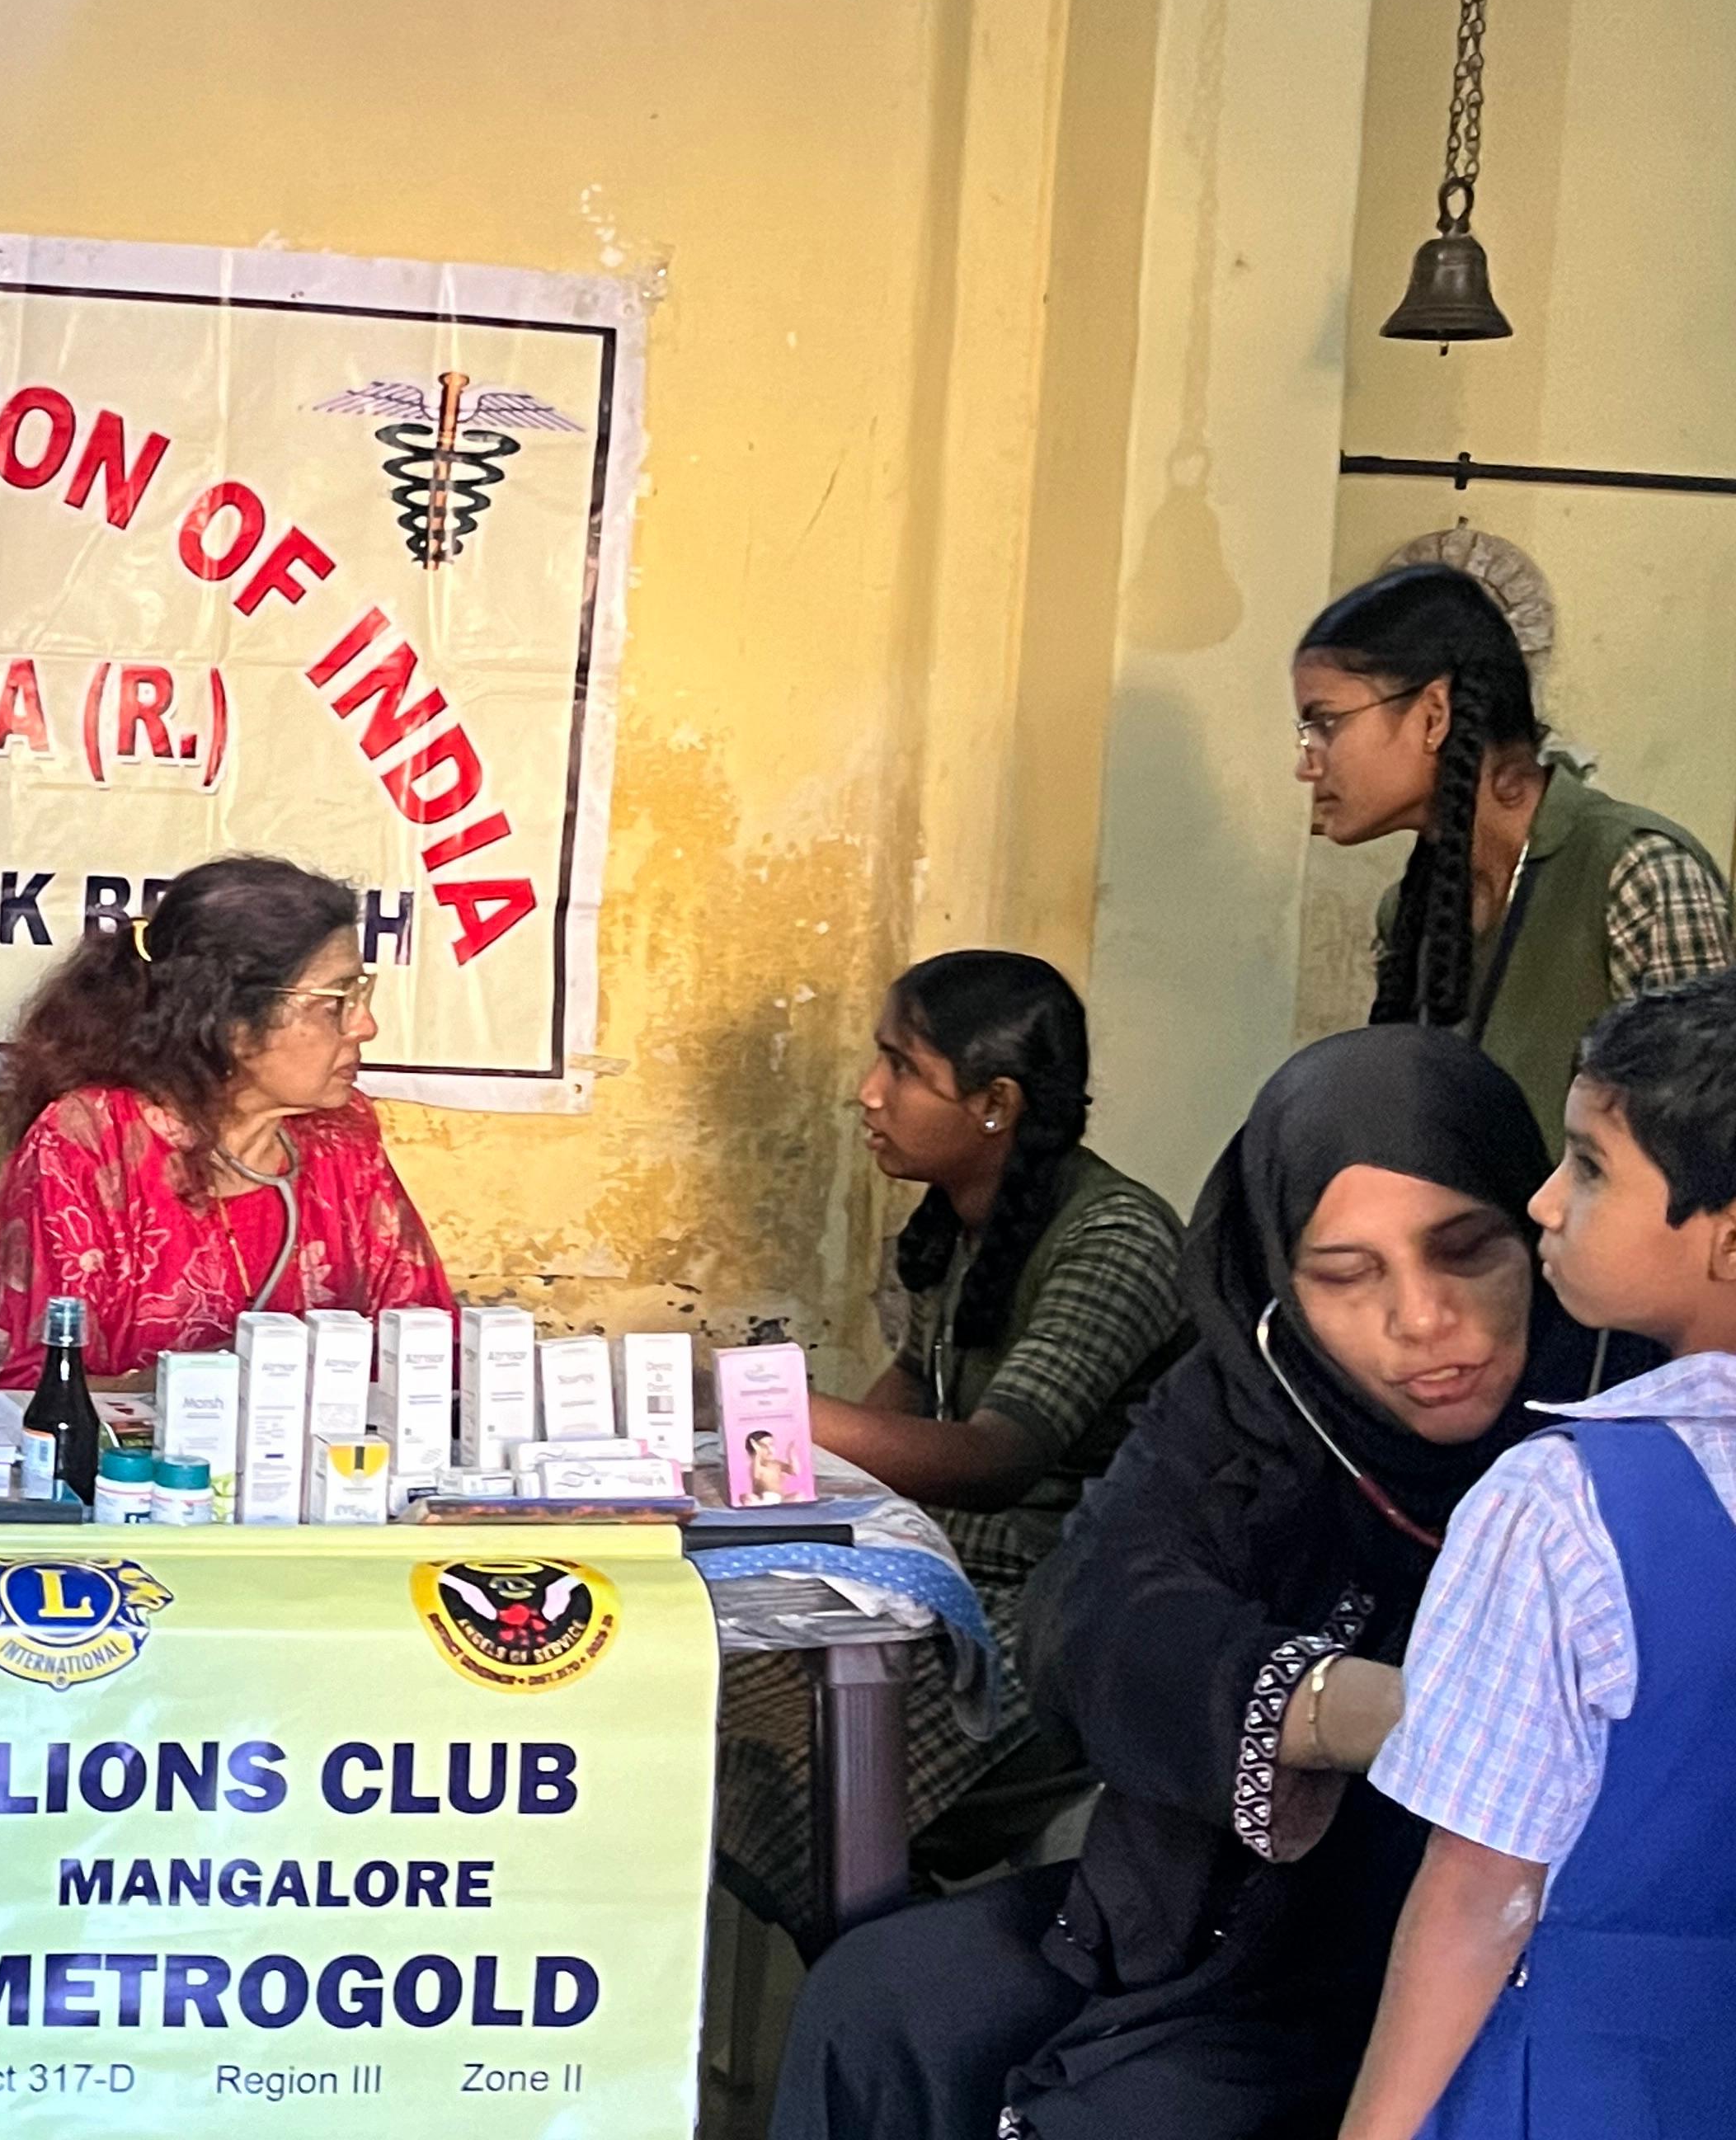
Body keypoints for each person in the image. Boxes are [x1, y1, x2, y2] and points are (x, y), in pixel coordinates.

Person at [771, 1026, 1645, 2140]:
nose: (1424, 1319)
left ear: (1540, 1228)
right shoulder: (1251, 1401)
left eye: (1469, 1251)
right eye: (1347, 1275)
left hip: (1490, 1955)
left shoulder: (1628, 1412)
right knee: (880, 2003)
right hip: (1219, 1913)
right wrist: (1344, 1707)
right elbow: (1089, 1614)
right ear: (1281, 1277)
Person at [717, 951, 1185, 1940]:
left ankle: (896, 1993)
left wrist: (768, 1408)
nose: (867, 1092)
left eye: (902, 1068)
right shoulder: (957, 1228)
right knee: (722, 1704)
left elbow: (995, 1458)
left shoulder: (1117, 1237)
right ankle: (867, 1982)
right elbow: (896, 1418)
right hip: (956, 1581)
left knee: (822, 1765)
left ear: (995, 1104)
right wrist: (750, 1473)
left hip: (1071, 1607)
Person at [1344, 975, 1736, 2138]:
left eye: (1594, 1168)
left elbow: (1481, 1892)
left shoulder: (1562, 1509)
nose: (1545, 1201)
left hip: (1591, 2082)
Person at [1295, 563, 1729, 1146]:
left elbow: (1707, 1155)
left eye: (1324, 722)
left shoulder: (1638, 875)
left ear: (1433, 715)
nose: (1306, 764)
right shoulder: (1407, 912)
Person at [0, 854, 454, 1382]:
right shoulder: (90, 1142)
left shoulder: (341, 1137)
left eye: (360, 994)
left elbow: (427, 1341)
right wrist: (203, 1389)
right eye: (336, 1001)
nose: (365, 1025)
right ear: (228, 1020)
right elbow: (40, 1385)